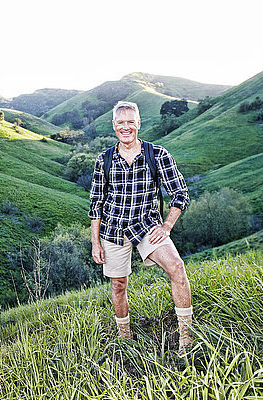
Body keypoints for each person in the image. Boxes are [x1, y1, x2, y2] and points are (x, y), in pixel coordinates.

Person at [88, 101, 193, 354]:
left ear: (139, 124)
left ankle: (186, 340)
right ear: (114, 126)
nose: (126, 127)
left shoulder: (157, 154)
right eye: (121, 123)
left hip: (148, 226)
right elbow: (96, 203)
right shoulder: (104, 160)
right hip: (113, 228)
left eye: (131, 122)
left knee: (177, 267)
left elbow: (180, 194)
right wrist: (95, 242)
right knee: (118, 285)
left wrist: (167, 226)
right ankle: (125, 337)